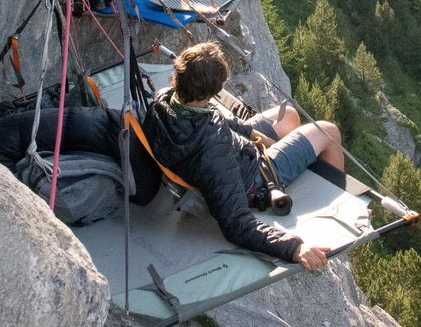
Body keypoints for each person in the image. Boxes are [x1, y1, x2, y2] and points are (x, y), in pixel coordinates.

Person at [142, 42, 344, 271]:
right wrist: (293, 247)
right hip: (255, 175)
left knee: (288, 115)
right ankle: (336, 208)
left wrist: (250, 131)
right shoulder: (213, 148)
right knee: (328, 131)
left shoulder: (163, 100)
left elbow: (212, 118)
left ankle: (295, 153)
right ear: (210, 93)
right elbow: (236, 223)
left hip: (229, 148)